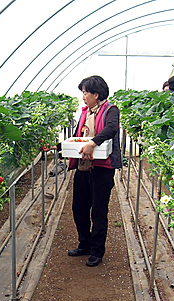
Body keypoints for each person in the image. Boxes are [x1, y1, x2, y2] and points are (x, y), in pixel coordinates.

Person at [66, 75, 122, 267]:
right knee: (78, 208)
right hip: (83, 167)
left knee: (98, 211)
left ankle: (97, 251)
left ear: (96, 95)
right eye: (82, 92)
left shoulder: (110, 110)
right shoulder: (85, 113)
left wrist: (93, 142)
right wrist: (57, 147)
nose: (83, 96)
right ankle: (85, 243)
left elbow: (111, 129)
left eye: (85, 92)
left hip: (102, 169)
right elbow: (75, 138)